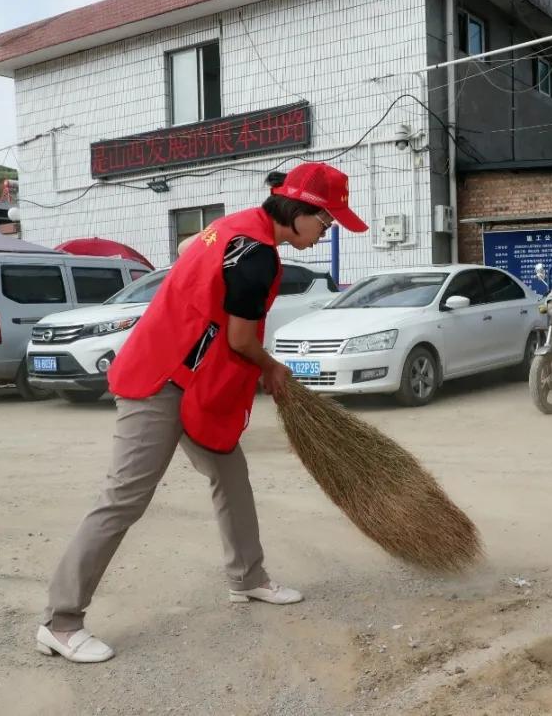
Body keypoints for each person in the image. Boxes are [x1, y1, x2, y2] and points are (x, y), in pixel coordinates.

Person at [36, 163, 369, 663]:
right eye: (326, 222)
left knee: (230, 475)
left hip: (193, 383)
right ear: (300, 211)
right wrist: (273, 370)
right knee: (123, 498)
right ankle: (61, 622)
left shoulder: (237, 226)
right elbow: (240, 338)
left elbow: (201, 284)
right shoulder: (255, 255)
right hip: (160, 381)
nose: (326, 233)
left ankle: (247, 577)